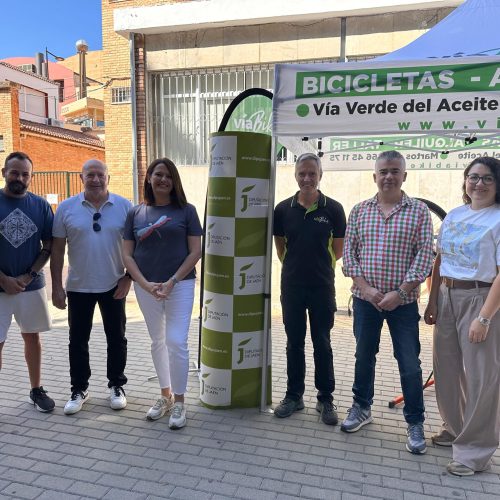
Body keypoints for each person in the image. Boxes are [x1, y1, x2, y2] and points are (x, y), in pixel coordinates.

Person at [342, 150, 433, 454]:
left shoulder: (419, 211)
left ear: (404, 175)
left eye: (395, 171)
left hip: (402, 304)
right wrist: (367, 290)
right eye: (383, 171)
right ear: (375, 176)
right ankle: (361, 407)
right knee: (363, 357)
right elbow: (350, 256)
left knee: (409, 364)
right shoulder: (359, 211)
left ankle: (415, 422)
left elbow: (424, 257)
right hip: (366, 301)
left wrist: (401, 292)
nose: (389, 176)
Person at [424, 156, 500, 476]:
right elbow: (440, 258)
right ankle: (455, 428)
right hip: (447, 296)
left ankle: (474, 451)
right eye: (473, 177)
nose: (478, 184)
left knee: (483, 378)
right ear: (465, 181)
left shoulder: (497, 219)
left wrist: (484, 318)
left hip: (480, 298)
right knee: (448, 369)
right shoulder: (454, 215)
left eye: (487, 179)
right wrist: (432, 300)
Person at [122, 158, 202, 430]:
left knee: (176, 340)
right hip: (146, 287)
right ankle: (165, 395)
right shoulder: (135, 213)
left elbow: (195, 251)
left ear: (174, 180)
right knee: (157, 340)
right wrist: (144, 284)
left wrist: (171, 281)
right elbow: (127, 254)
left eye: (168, 175)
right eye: (158, 174)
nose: (163, 180)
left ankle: (180, 401)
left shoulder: (186, 211)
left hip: (179, 286)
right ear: (149, 178)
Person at [51, 159, 132, 415]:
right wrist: (56, 286)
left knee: (117, 339)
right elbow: (56, 251)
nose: (95, 179)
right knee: (77, 341)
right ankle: (79, 389)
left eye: (100, 175)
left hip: (114, 284)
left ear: (108, 178)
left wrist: (128, 277)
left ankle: (117, 385)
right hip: (78, 286)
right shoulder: (66, 208)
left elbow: (136, 247)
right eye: (90, 175)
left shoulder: (124, 207)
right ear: (81, 178)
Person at [273, 153, 346, 425]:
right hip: (291, 287)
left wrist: (316, 268)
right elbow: (281, 248)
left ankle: (325, 398)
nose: (307, 178)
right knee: (294, 344)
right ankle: (294, 396)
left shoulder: (334, 209)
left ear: (320, 176)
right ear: (295, 175)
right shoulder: (282, 210)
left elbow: (337, 252)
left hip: (322, 288)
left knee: (322, 344)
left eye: (311, 174)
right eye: (302, 173)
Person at [0, 151, 55, 412]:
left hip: (30, 286)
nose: (19, 178)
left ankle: (36, 389)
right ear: (4, 173)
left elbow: (49, 245)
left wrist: (27, 275)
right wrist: (4, 279)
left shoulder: (41, 206)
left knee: (32, 337)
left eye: (25, 174)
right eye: (14, 172)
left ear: (31, 177)